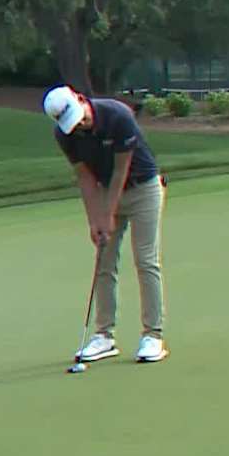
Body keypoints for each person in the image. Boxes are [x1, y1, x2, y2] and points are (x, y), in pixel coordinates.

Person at [44, 85, 169, 363]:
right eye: (73, 124)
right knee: (104, 260)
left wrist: (107, 214)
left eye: (81, 118)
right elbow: (85, 177)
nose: (80, 125)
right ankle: (104, 336)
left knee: (146, 260)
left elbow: (121, 170)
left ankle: (153, 335)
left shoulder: (117, 116)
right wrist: (94, 220)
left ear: (80, 98)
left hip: (142, 188)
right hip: (105, 191)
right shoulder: (65, 135)